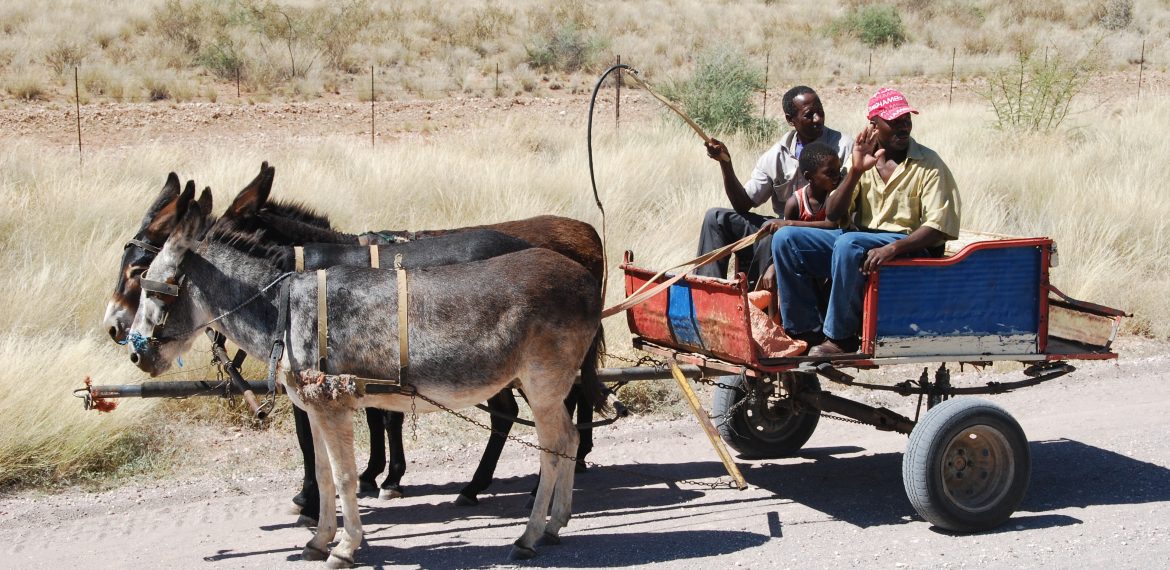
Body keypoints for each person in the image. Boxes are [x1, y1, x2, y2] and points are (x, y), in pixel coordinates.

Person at [770, 87, 961, 356]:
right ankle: (804, 332)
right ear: (874, 125)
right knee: (786, 239)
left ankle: (841, 338)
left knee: (849, 243)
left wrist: (892, 248)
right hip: (861, 241)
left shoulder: (929, 163)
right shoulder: (862, 159)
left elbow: (938, 227)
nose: (903, 127)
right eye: (893, 122)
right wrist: (857, 171)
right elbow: (835, 215)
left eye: (906, 120)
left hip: (908, 245)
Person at [695, 86, 852, 291]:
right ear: (790, 120)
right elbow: (743, 204)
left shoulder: (843, 146)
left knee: (776, 234)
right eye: (808, 115)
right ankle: (709, 297)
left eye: (819, 111)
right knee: (715, 218)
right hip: (783, 226)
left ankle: (758, 305)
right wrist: (726, 162)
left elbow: (838, 217)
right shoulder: (777, 154)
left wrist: (786, 225)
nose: (817, 119)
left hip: (823, 231)